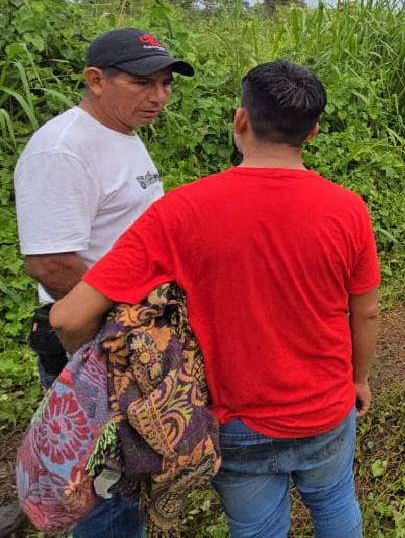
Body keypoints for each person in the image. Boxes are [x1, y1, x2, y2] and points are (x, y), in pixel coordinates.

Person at [50, 60, 381, 538]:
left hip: (236, 419)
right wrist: (360, 380)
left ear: (240, 120)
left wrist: (105, 374)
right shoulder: (348, 210)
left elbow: (68, 317)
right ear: (312, 133)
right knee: (334, 502)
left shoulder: (181, 210)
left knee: (256, 527)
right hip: (325, 407)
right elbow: (365, 309)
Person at [14, 27, 194, 538]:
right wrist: (122, 310)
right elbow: (50, 262)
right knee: (105, 479)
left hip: (127, 324)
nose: (158, 97)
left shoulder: (121, 132)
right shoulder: (63, 151)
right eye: (143, 83)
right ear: (96, 79)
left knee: (128, 459)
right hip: (94, 330)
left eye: (165, 84)